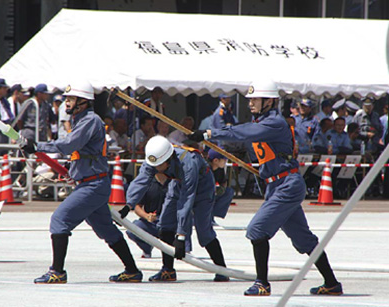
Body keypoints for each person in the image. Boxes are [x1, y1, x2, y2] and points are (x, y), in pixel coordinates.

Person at [189, 79, 342, 296]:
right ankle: (332, 283)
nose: (250, 103)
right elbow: (251, 141)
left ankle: (262, 283)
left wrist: (208, 134)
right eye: (250, 100)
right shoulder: (260, 122)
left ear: (269, 101)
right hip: (276, 185)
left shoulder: (274, 123)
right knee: (303, 239)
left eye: (255, 100)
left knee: (257, 230)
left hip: (287, 185)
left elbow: (245, 132)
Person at [20, 80, 142, 284]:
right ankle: (132, 271)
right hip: (92, 183)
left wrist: (37, 146)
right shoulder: (81, 120)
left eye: (71, 99)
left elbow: (69, 145)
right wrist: (71, 170)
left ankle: (57, 271)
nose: (66, 102)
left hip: (93, 185)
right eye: (67, 98)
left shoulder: (89, 120)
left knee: (60, 219)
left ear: (83, 102)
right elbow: (81, 153)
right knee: (107, 230)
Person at [119, 135, 229, 282]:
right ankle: (168, 270)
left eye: (160, 165)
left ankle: (222, 270)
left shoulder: (188, 163)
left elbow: (186, 199)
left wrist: (181, 236)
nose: (157, 169)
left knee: (204, 231)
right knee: (164, 223)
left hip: (202, 189)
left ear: (169, 158)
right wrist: (128, 205)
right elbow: (141, 180)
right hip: (177, 185)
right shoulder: (154, 159)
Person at [125, 173, 167, 258]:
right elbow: (137, 206)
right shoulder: (147, 184)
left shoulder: (175, 182)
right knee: (132, 230)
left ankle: (184, 250)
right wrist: (147, 216)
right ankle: (147, 248)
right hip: (151, 222)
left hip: (170, 223)